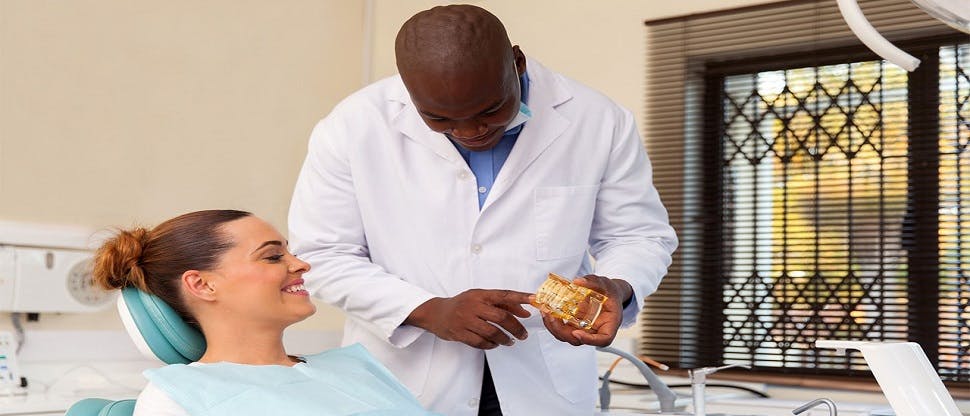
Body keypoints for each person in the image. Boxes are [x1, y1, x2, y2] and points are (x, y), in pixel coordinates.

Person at [288, 5, 678, 415]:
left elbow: (638, 235)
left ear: (517, 62)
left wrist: (618, 285)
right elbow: (323, 255)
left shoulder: (599, 120)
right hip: (405, 380)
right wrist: (427, 310)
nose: (470, 131)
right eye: (440, 120)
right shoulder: (353, 125)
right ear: (407, 90)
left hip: (543, 382)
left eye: (489, 110)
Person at [92, 210, 434, 416]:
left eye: (290, 252)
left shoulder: (356, 367)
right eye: (273, 257)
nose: (301, 264)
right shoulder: (180, 398)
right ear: (203, 285)